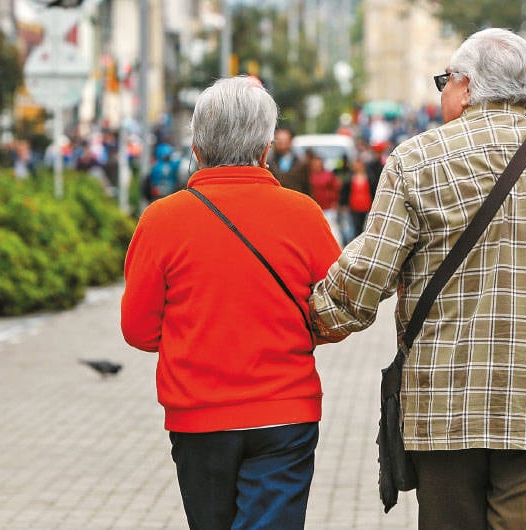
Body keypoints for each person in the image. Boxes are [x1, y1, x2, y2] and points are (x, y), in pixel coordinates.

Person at [308, 28, 526, 529]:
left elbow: (364, 281)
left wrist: (310, 319)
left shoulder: (416, 162)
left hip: (445, 412)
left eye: (443, 81)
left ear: (466, 85)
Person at [120, 76, 343, 529]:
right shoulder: (303, 214)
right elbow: (335, 315)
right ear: (266, 150)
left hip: (198, 416)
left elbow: (138, 330)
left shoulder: (161, 221)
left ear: (197, 150)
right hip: (286, 412)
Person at [268, 128, 311, 196]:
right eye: (279, 141)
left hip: (296, 200)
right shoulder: (268, 162)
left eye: (285, 141)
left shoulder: (301, 163)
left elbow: (307, 186)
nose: (282, 144)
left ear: (290, 141)